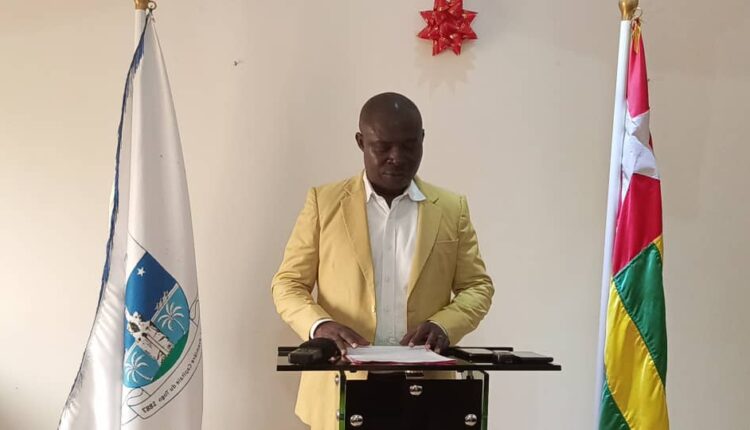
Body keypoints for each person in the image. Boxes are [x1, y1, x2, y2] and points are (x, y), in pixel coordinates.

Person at [272, 92, 494, 430]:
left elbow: (477, 286)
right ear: (361, 142)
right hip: (341, 386)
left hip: (429, 391)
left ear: (422, 140)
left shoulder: (451, 209)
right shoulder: (323, 203)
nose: (397, 157)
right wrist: (320, 326)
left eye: (409, 145)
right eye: (383, 146)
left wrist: (445, 325)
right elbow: (288, 284)